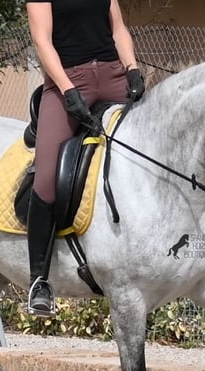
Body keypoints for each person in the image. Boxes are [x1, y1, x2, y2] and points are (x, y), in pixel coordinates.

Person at [25, 0, 145, 316]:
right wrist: (66, 90)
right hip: (69, 80)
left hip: (113, 75)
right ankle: (39, 280)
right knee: (47, 178)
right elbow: (42, 41)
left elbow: (118, 29)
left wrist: (132, 67)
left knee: (148, 151)